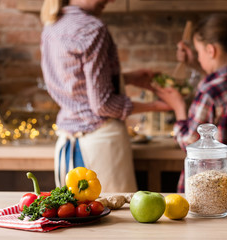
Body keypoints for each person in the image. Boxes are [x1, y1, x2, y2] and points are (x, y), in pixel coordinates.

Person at [40, 0, 170, 192]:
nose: (111, 0)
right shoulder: (92, 28)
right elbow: (103, 105)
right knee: (118, 217)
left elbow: (76, 83)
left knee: (76, 217)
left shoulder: (52, 25)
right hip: (101, 145)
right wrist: (162, 105)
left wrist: (128, 78)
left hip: (68, 145)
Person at [155, 14, 227, 193]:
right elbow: (217, 79)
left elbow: (190, 142)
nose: (198, 58)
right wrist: (194, 63)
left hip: (212, 193)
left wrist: (178, 107)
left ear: (211, 51)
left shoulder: (209, 91)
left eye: (198, 52)